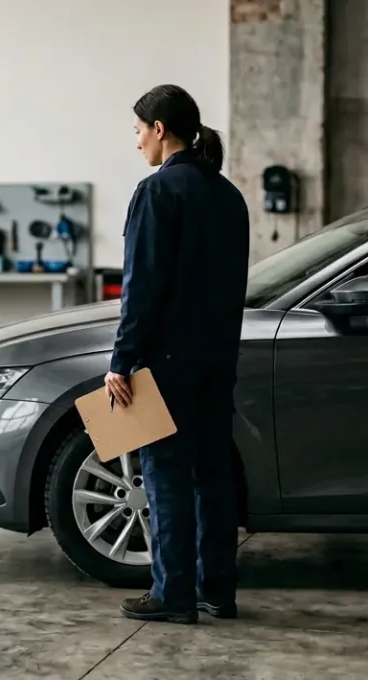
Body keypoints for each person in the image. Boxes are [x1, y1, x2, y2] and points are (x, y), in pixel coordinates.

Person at [105, 84, 250, 624]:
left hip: (166, 363)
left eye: (139, 130)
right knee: (212, 475)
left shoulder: (157, 191)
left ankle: (173, 594)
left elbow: (141, 285)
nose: (137, 141)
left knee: (164, 476)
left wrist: (122, 359)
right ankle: (219, 590)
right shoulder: (228, 196)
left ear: (160, 130)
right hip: (217, 360)